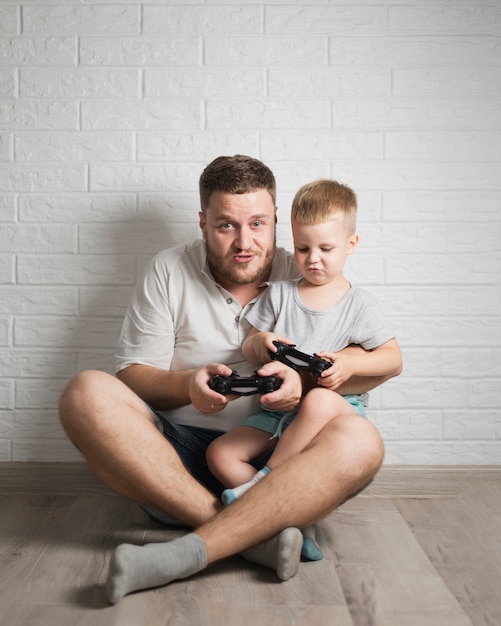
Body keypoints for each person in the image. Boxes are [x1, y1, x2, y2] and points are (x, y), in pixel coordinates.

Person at [58, 155, 400, 604]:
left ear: (277, 219)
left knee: (361, 442)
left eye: (258, 223)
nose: (245, 242)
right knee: (85, 392)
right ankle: (251, 534)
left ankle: (206, 541)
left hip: (284, 457)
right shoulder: (168, 269)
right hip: (175, 462)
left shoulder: (304, 266)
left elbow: (366, 358)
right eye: (226, 226)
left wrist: (305, 383)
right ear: (202, 223)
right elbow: (132, 377)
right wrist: (186, 387)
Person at [205, 179, 402, 560]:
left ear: (351, 245)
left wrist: (351, 362)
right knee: (220, 454)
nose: (313, 259)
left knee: (319, 401)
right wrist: (258, 343)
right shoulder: (278, 294)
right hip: (278, 413)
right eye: (302, 247)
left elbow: (393, 359)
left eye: (326, 248)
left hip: (334, 414)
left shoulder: (359, 304)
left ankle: (263, 485)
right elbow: (250, 342)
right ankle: (290, 528)